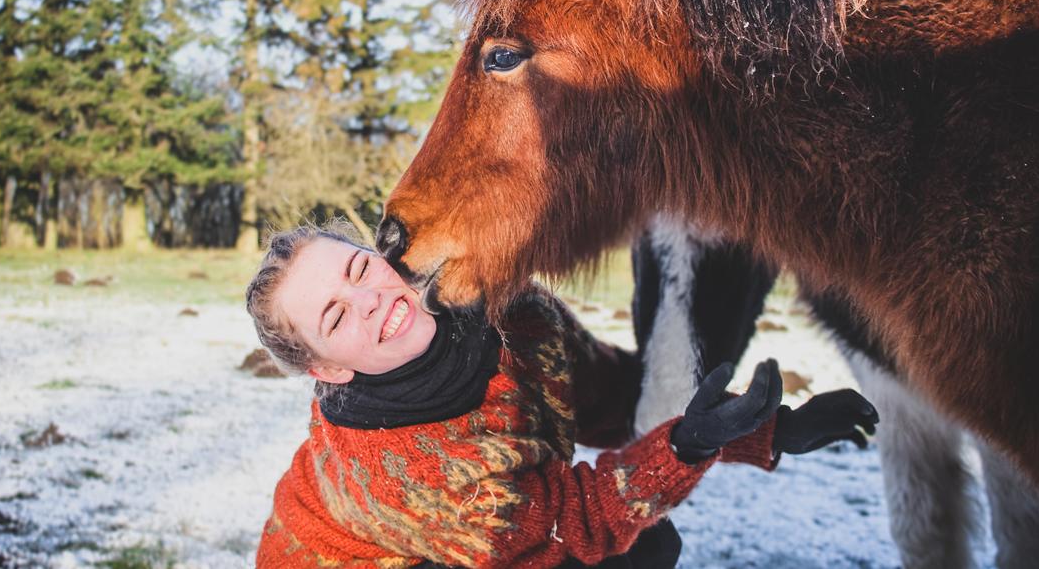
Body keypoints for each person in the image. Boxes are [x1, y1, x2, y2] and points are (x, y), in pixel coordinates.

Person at [247, 222, 878, 568]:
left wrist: (770, 429)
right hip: (385, 555)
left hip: (478, 539)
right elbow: (572, 523)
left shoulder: (513, 314)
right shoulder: (407, 471)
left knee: (646, 547)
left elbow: (614, 396)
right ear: (328, 371)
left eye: (359, 269)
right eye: (335, 317)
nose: (371, 301)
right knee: (629, 556)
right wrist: (687, 446)